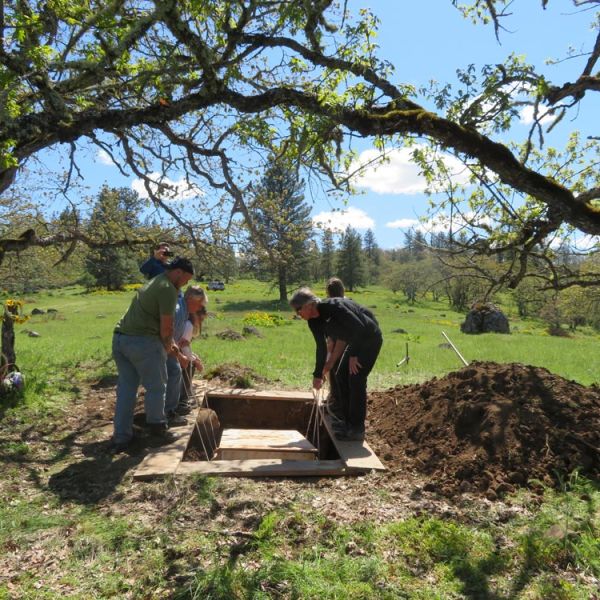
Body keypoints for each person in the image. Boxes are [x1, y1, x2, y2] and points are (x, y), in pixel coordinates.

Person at [111, 256, 195, 452]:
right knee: (157, 386)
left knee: (126, 390)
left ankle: (122, 438)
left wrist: (174, 351)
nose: (186, 283)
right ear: (178, 272)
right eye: (186, 279)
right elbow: (166, 331)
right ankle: (157, 430)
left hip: (121, 340)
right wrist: (177, 355)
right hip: (143, 342)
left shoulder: (154, 281)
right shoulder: (167, 289)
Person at [290, 287, 383, 442]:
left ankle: (357, 429)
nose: (298, 314)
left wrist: (354, 355)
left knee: (356, 378)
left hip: (369, 339)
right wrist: (318, 374)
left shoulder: (334, 307)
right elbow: (321, 347)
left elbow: (359, 327)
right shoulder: (313, 322)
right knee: (340, 375)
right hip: (354, 341)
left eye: (298, 310)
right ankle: (347, 423)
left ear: (308, 305)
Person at [164, 286, 208, 419]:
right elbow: (181, 345)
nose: (199, 308)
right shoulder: (186, 321)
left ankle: (180, 401)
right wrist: (191, 359)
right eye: (199, 306)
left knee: (185, 365)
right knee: (180, 369)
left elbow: (184, 344)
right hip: (168, 350)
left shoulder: (184, 315)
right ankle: (179, 403)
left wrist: (192, 357)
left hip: (172, 349)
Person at [324, 277, 345, 422]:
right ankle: (336, 401)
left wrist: (327, 359)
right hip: (352, 345)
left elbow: (332, 341)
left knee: (335, 371)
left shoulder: (333, 308)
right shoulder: (348, 303)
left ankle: (337, 404)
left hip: (343, 344)